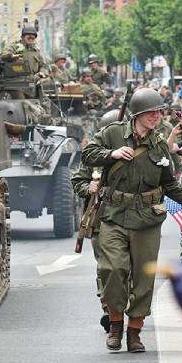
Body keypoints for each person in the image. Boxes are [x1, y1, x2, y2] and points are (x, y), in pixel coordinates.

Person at [79, 87, 182, 353]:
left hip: (147, 219)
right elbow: (87, 155)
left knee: (143, 277)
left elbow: (169, 184)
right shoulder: (113, 133)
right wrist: (112, 154)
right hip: (114, 215)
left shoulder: (159, 144)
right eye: (151, 112)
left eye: (159, 112)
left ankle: (135, 331)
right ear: (137, 114)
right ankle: (116, 323)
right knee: (112, 269)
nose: (156, 117)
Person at [72, 109, 121, 334]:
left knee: (128, 267)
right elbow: (78, 180)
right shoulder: (93, 156)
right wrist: (87, 187)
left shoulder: (133, 151)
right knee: (105, 267)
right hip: (100, 220)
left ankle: (126, 307)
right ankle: (109, 307)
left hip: (129, 218)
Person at [0, 26, 47, 90]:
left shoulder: (36, 51)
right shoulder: (15, 46)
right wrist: (11, 56)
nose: (31, 37)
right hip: (16, 83)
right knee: (21, 96)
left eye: (33, 36)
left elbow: (43, 65)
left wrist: (41, 73)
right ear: (23, 36)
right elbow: (3, 55)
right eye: (28, 35)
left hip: (32, 83)